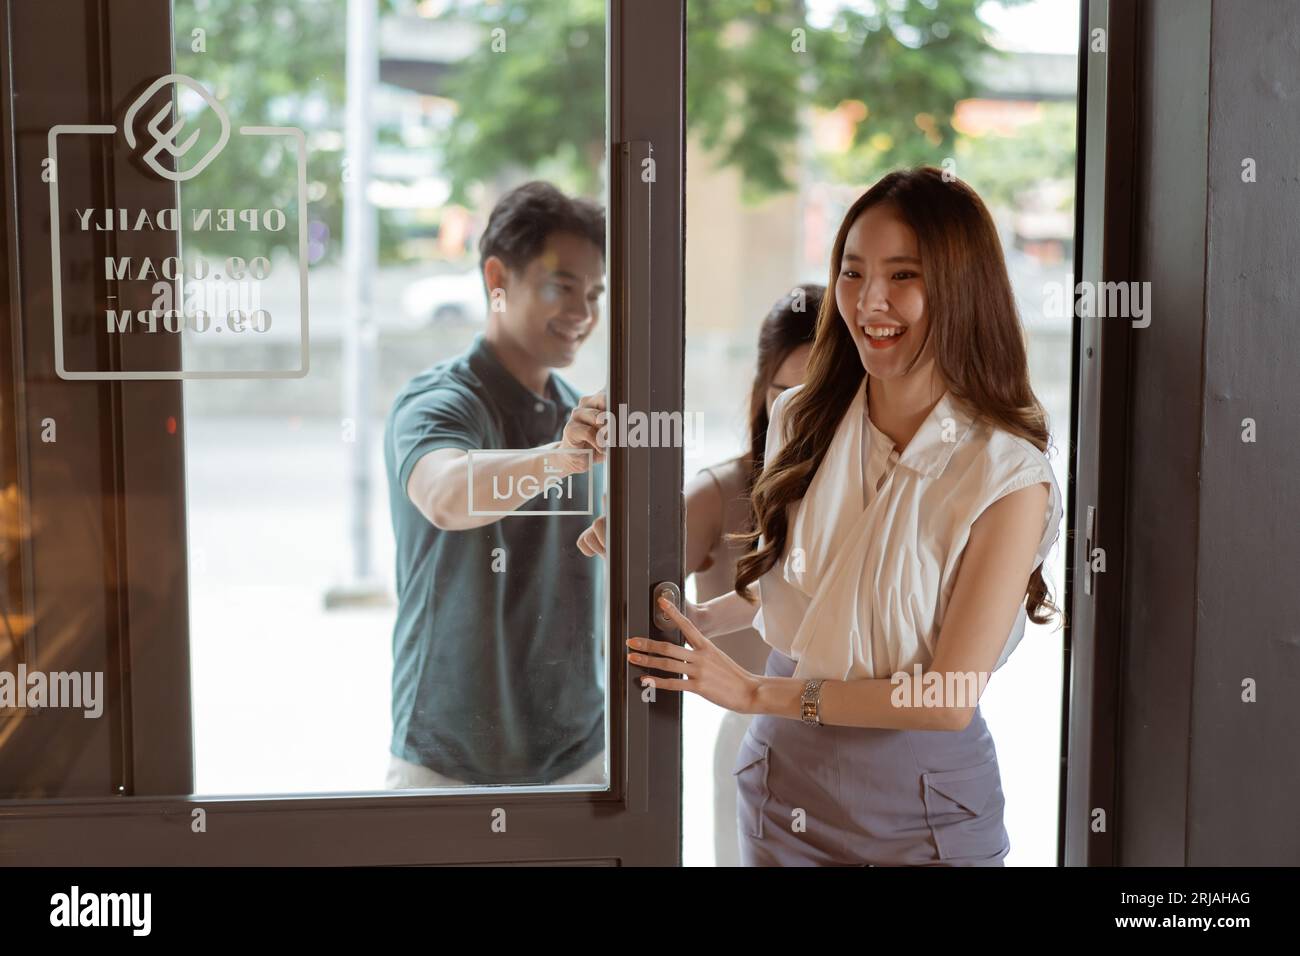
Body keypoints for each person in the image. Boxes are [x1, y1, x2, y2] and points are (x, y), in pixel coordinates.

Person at [625, 166, 1064, 866]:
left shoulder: (1004, 475)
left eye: (903, 275)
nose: (870, 301)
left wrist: (755, 691)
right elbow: (834, 586)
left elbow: (947, 698)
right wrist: (691, 600)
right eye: (853, 273)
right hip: (782, 781)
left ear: (960, 290)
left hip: (925, 804)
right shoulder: (803, 417)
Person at [383, 181, 610, 788]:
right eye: (563, 286)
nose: (584, 313)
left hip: (577, 755)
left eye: (594, 293)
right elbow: (446, 494)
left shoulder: (581, 416)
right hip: (447, 760)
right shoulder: (440, 403)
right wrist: (558, 458)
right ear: (496, 279)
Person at [688, 286, 817, 867]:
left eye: (819, 394)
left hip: (862, 736)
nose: (798, 412)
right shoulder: (720, 490)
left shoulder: (879, 489)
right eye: (783, 392)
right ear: (761, 393)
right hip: (754, 734)